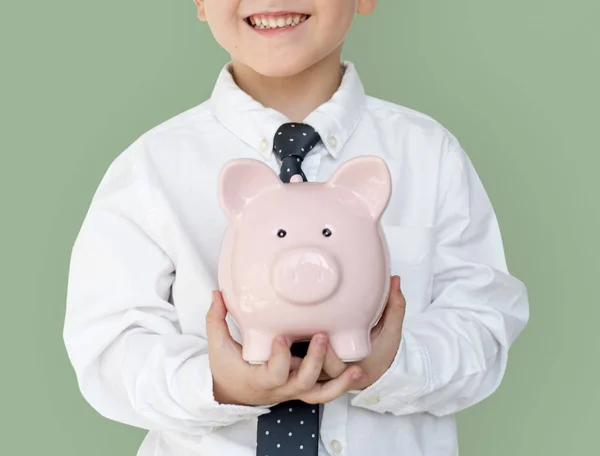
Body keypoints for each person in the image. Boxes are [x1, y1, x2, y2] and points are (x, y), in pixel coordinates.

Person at [63, 0, 530, 455]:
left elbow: (483, 322)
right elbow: (108, 347)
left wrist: (392, 364)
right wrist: (216, 382)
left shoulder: (428, 155)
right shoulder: (151, 169)